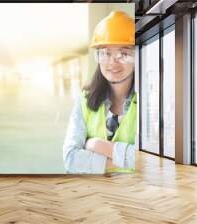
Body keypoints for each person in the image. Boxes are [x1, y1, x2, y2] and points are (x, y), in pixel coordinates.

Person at [63, 11, 136, 174]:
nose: (112, 62)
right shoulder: (84, 100)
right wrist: (125, 162)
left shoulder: (149, 101)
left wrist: (97, 145)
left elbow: (152, 160)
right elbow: (70, 159)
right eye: (105, 53)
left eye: (123, 54)